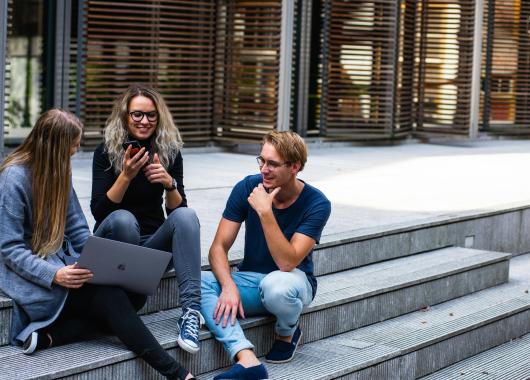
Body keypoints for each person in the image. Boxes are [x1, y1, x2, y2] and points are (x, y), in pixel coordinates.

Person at [0, 109, 195, 380]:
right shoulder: (14, 178)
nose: (76, 149)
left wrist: (96, 261)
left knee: (133, 294)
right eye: (73, 144)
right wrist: (54, 274)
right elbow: (9, 249)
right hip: (33, 275)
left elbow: (78, 230)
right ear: (55, 145)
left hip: (64, 265)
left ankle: (52, 336)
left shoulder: (58, 171)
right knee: (111, 297)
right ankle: (177, 373)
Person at [201, 131, 331, 379]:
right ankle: (245, 358)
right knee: (197, 282)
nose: (264, 169)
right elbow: (218, 247)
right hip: (250, 280)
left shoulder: (317, 203)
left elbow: (287, 262)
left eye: (272, 164)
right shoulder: (247, 187)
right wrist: (228, 286)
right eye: (261, 161)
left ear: (295, 167)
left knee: (277, 286)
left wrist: (265, 212)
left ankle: (287, 332)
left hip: (292, 282)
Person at [90, 84, 203, 354]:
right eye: (137, 114)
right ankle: (124, 303)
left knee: (187, 216)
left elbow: (178, 214)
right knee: (124, 220)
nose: (144, 121)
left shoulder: (169, 151)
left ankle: (191, 313)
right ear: (125, 116)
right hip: (115, 245)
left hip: (151, 249)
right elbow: (100, 212)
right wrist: (126, 175)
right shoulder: (105, 152)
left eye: (151, 115)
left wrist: (169, 184)